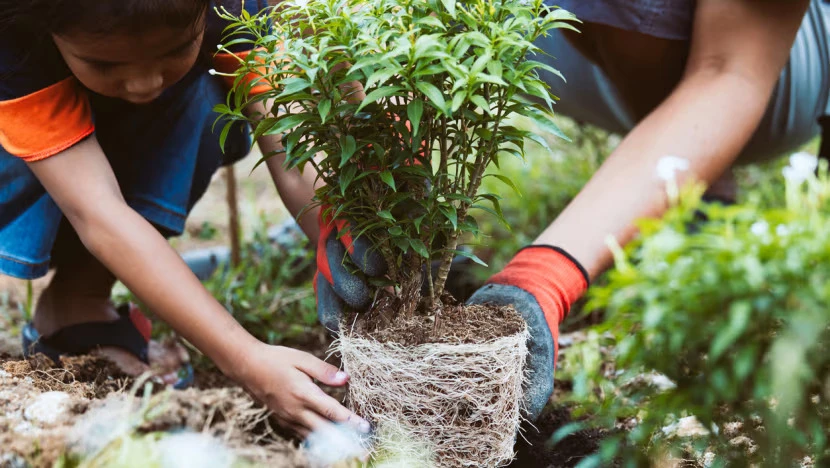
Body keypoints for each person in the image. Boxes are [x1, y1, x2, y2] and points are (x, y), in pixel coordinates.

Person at [315, 0, 827, 419]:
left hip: (762, 64)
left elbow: (731, 69)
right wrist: (372, 166)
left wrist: (546, 274)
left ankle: (700, 187)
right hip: (567, 37)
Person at [0, 0, 369, 436]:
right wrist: (245, 358)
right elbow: (98, 213)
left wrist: (346, 235)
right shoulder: (15, 37)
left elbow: (290, 150)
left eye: (175, 50)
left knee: (205, 95)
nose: (144, 82)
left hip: (93, 164)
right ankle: (77, 303)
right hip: (29, 167)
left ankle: (78, 299)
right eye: (104, 63)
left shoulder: (229, 10)